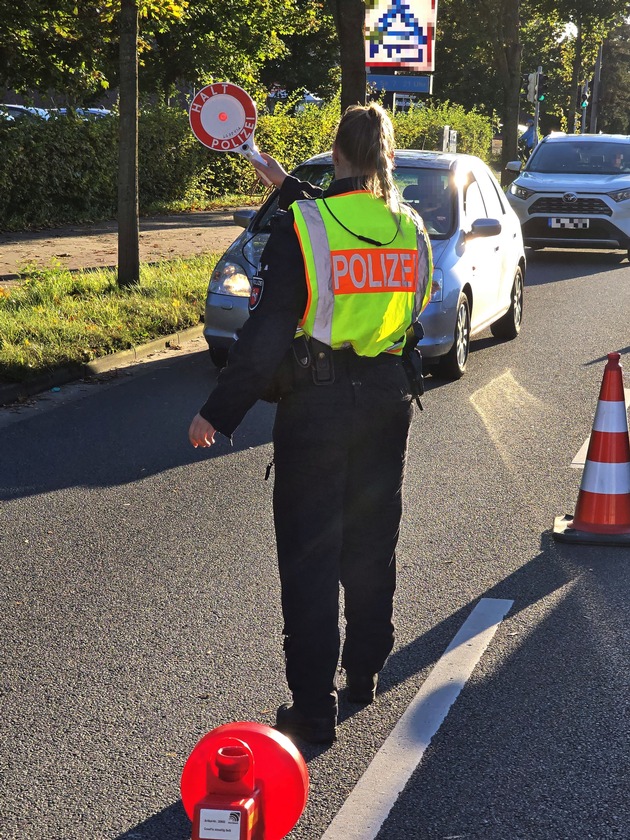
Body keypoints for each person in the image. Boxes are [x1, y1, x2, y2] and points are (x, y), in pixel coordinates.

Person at [188, 103, 433, 744]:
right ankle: (365, 674)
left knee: (310, 558)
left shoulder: (306, 225)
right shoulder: (409, 227)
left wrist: (218, 412)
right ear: (388, 156)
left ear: (337, 153)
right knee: (372, 544)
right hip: (388, 400)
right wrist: (283, 179)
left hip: (317, 408)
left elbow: (267, 332)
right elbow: (411, 299)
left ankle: (314, 712)